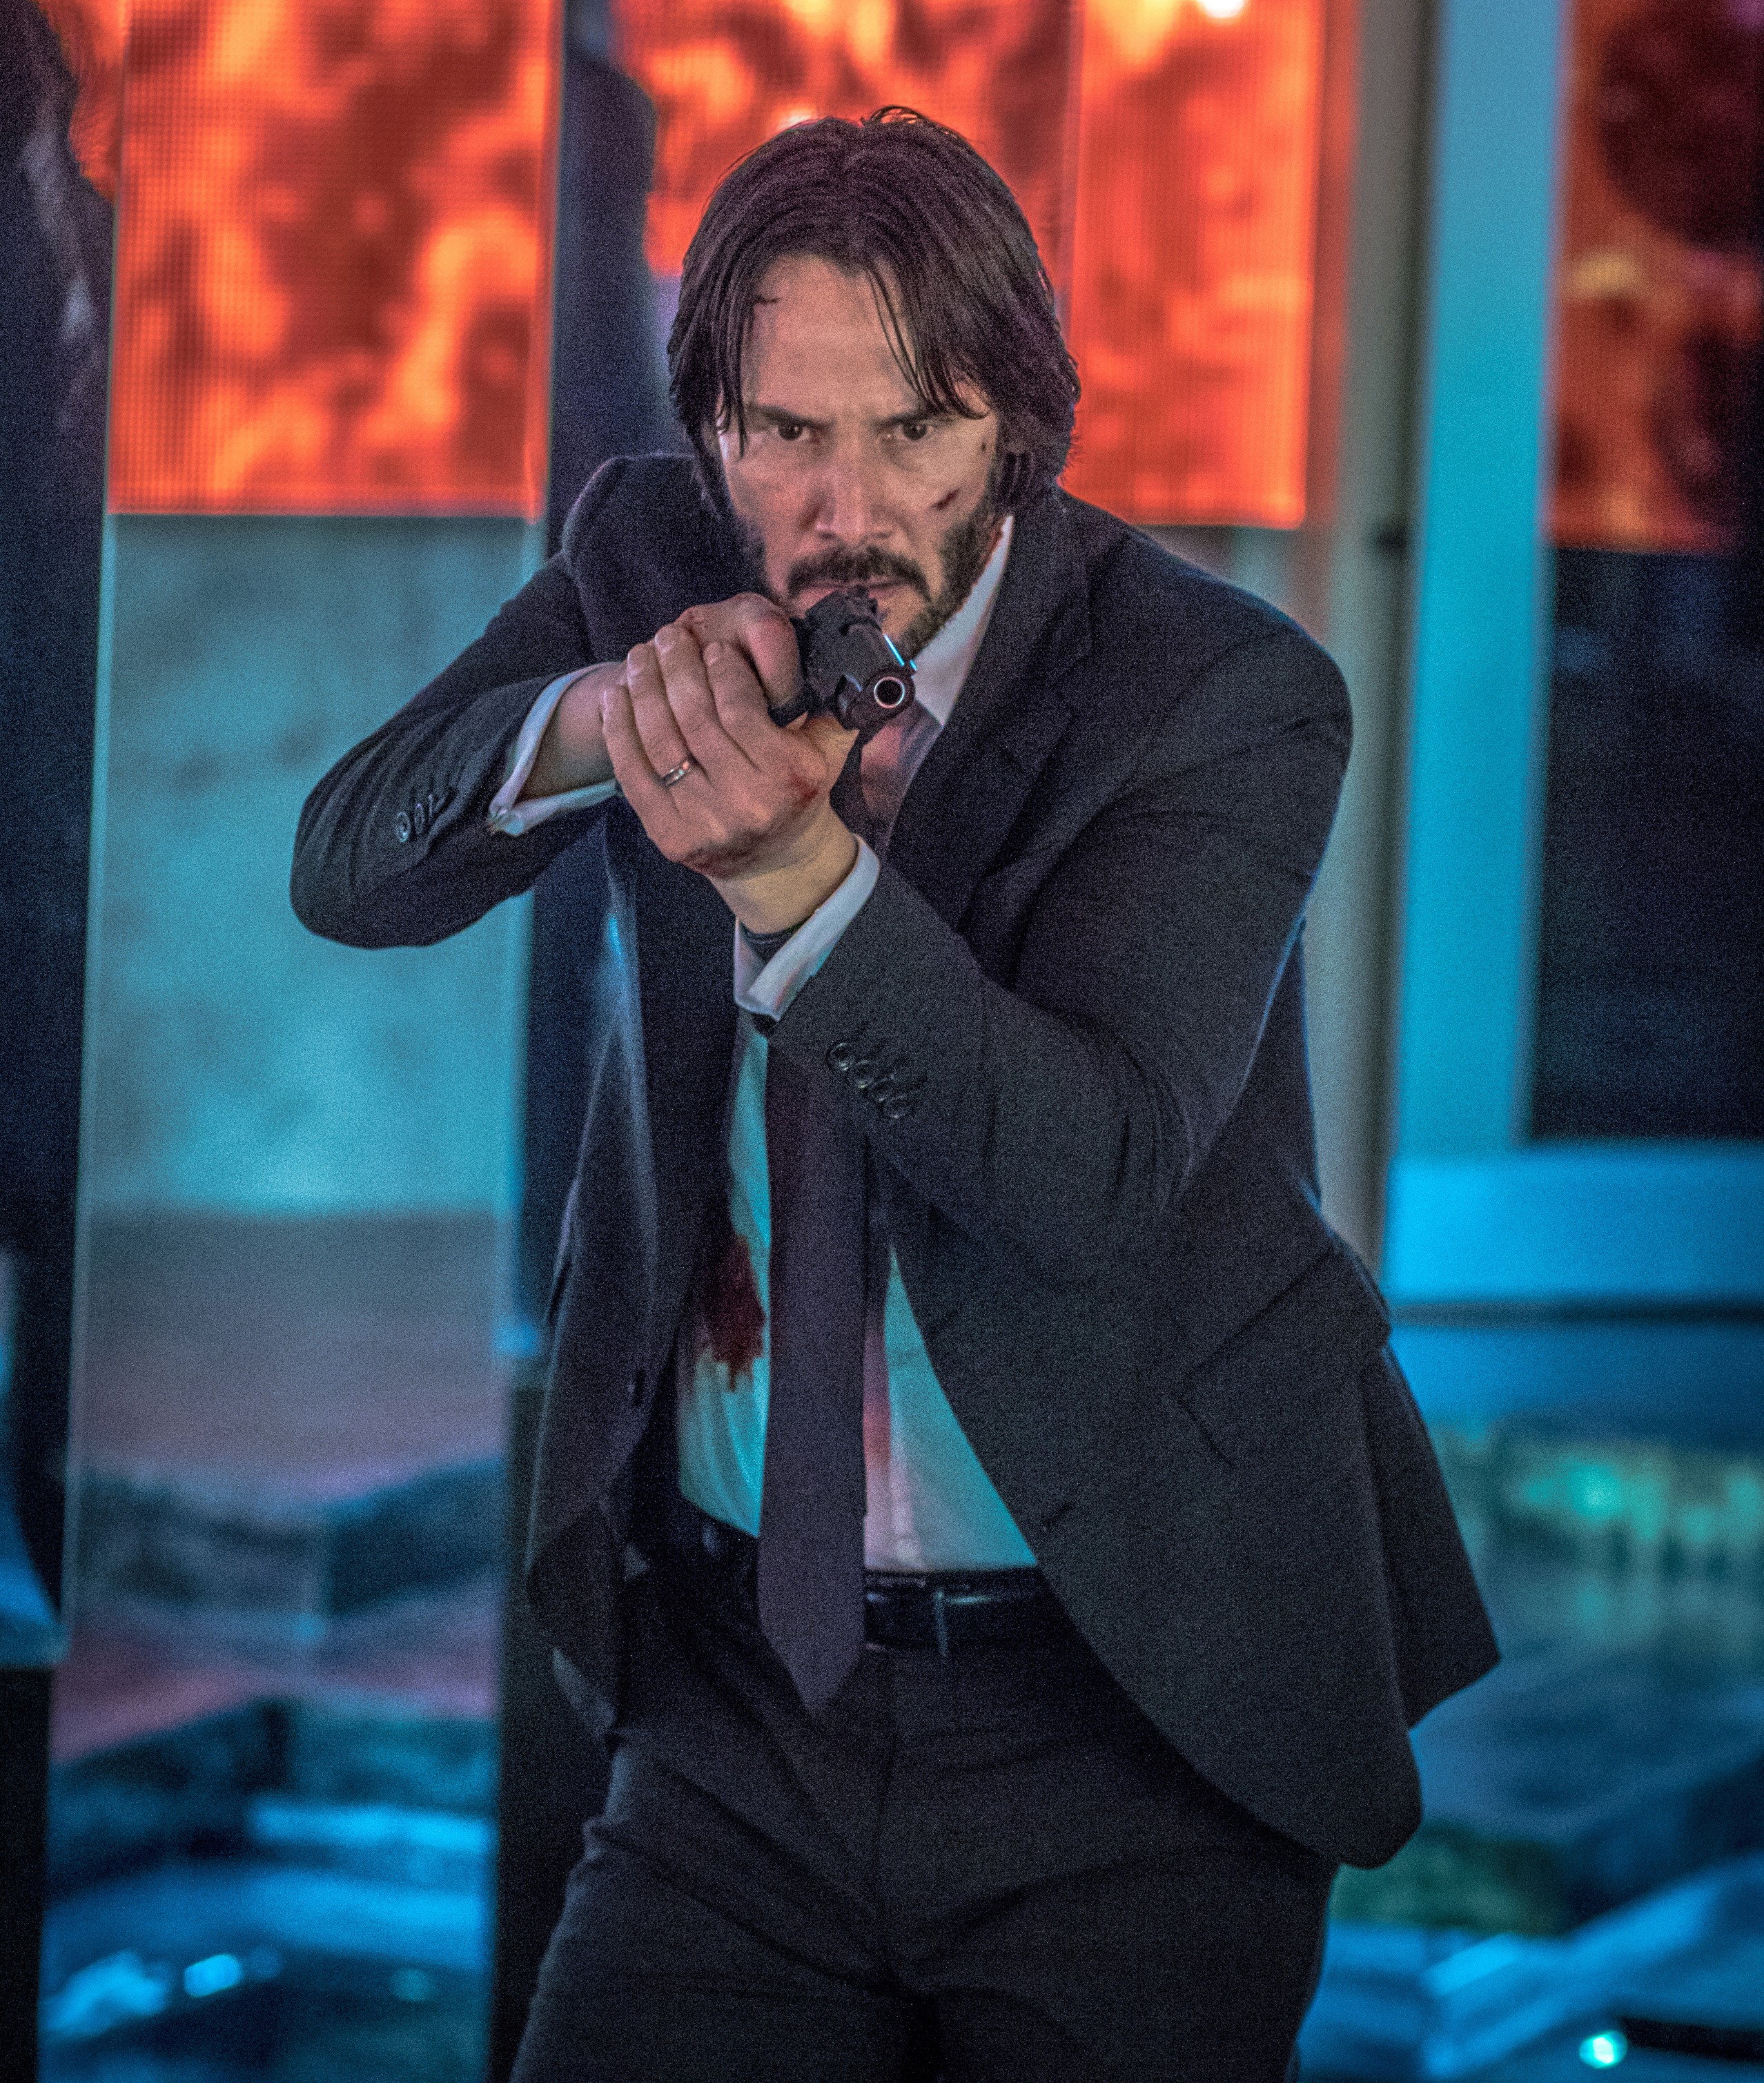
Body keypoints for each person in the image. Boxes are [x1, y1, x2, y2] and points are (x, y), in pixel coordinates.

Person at [292, 108, 1497, 2082]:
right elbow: (347, 864)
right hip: (737, 1702)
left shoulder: (1217, 692)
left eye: (913, 428)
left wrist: (791, 878)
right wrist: (609, 719)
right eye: (784, 431)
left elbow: (1091, 1176)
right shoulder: (647, 555)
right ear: (712, 426)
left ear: (1016, 427)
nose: (844, 507)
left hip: (1129, 1701)